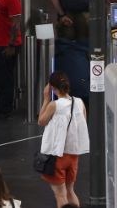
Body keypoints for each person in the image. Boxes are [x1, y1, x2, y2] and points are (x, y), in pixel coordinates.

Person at [38, 71, 90, 208]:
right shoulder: (79, 103)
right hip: (73, 155)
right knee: (70, 191)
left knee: (60, 194)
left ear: (52, 87)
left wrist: (45, 99)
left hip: (58, 156)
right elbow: (83, 123)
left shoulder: (54, 105)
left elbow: (41, 121)